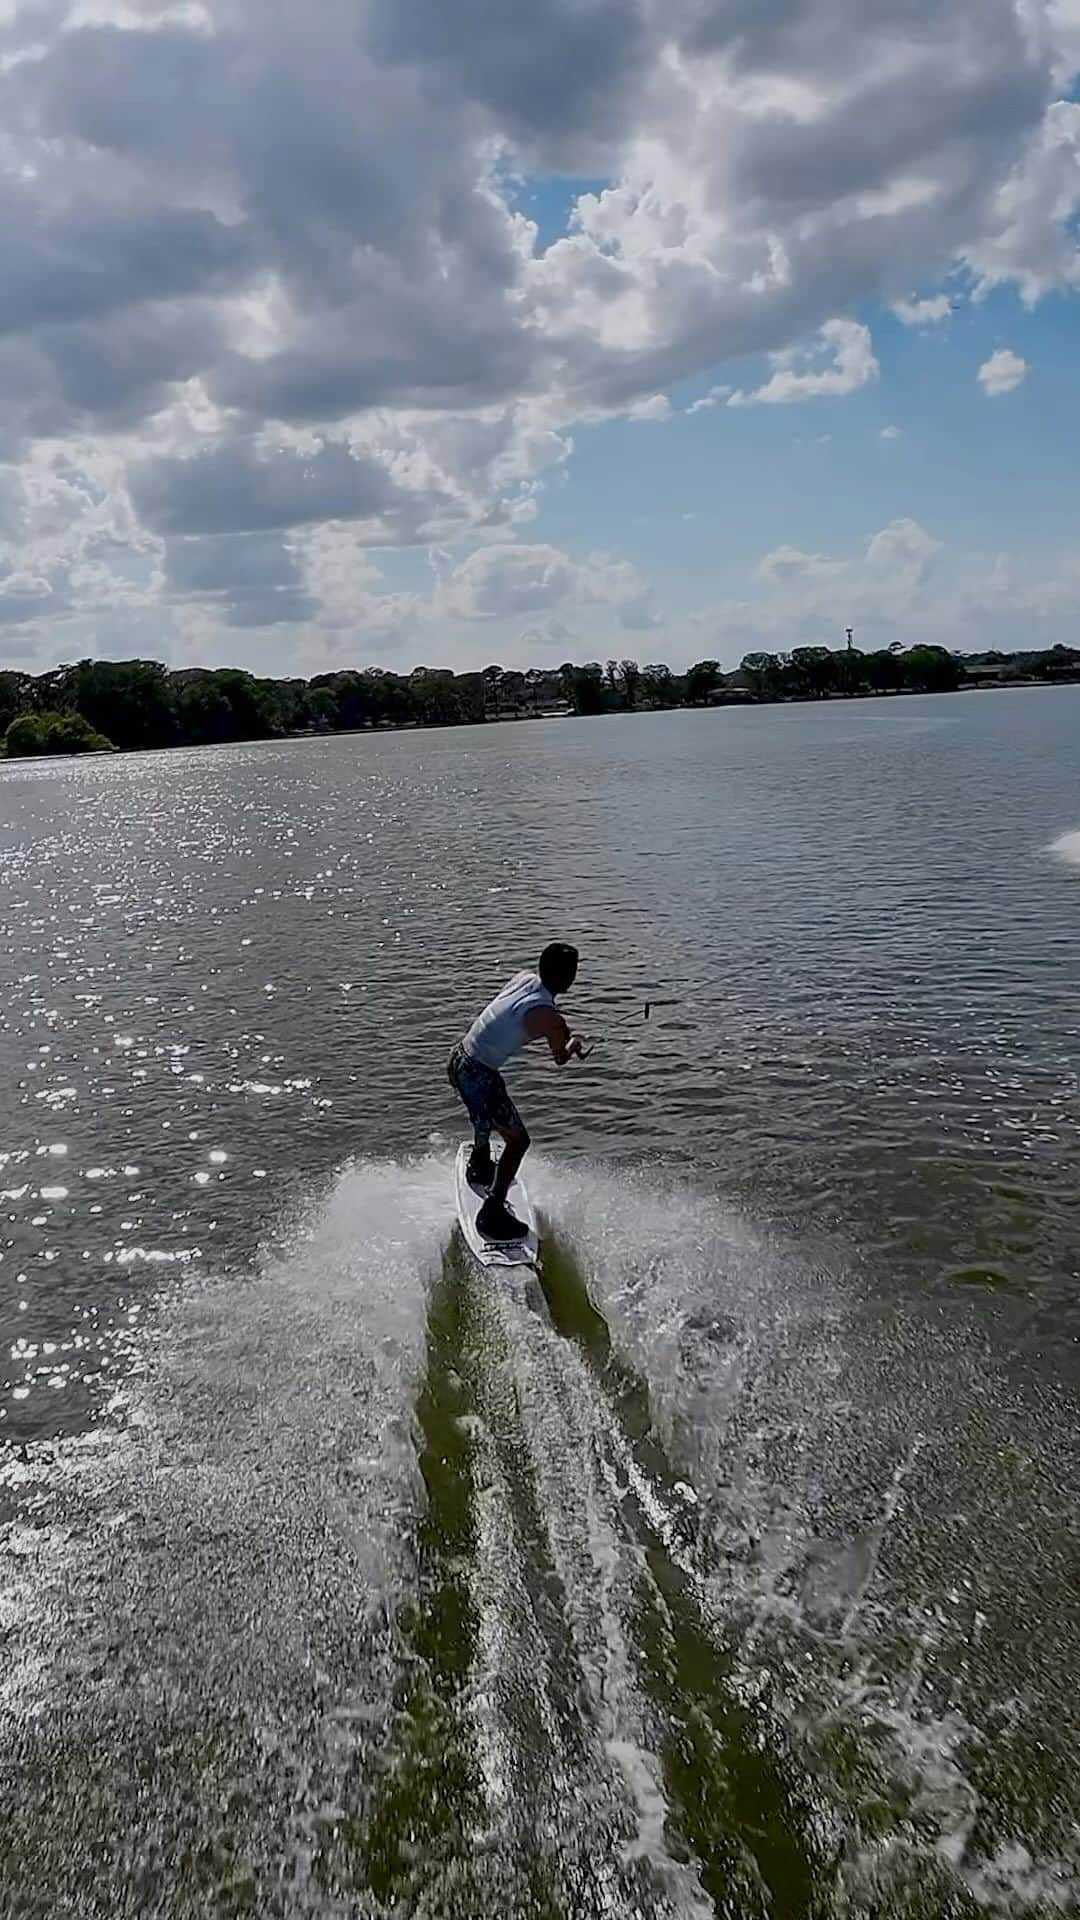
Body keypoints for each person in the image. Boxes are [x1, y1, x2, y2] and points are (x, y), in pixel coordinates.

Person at [448, 942, 587, 1240]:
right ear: (569, 978)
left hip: (459, 1057)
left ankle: (481, 1161)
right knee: (518, 1140)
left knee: (486, 1104)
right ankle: (493, 1211)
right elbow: (560, 1056)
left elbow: (516, 1016)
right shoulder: (551, 1018)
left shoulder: (523, 978)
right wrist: (572, 1042)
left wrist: (556, 1023)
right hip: (478, 1074)